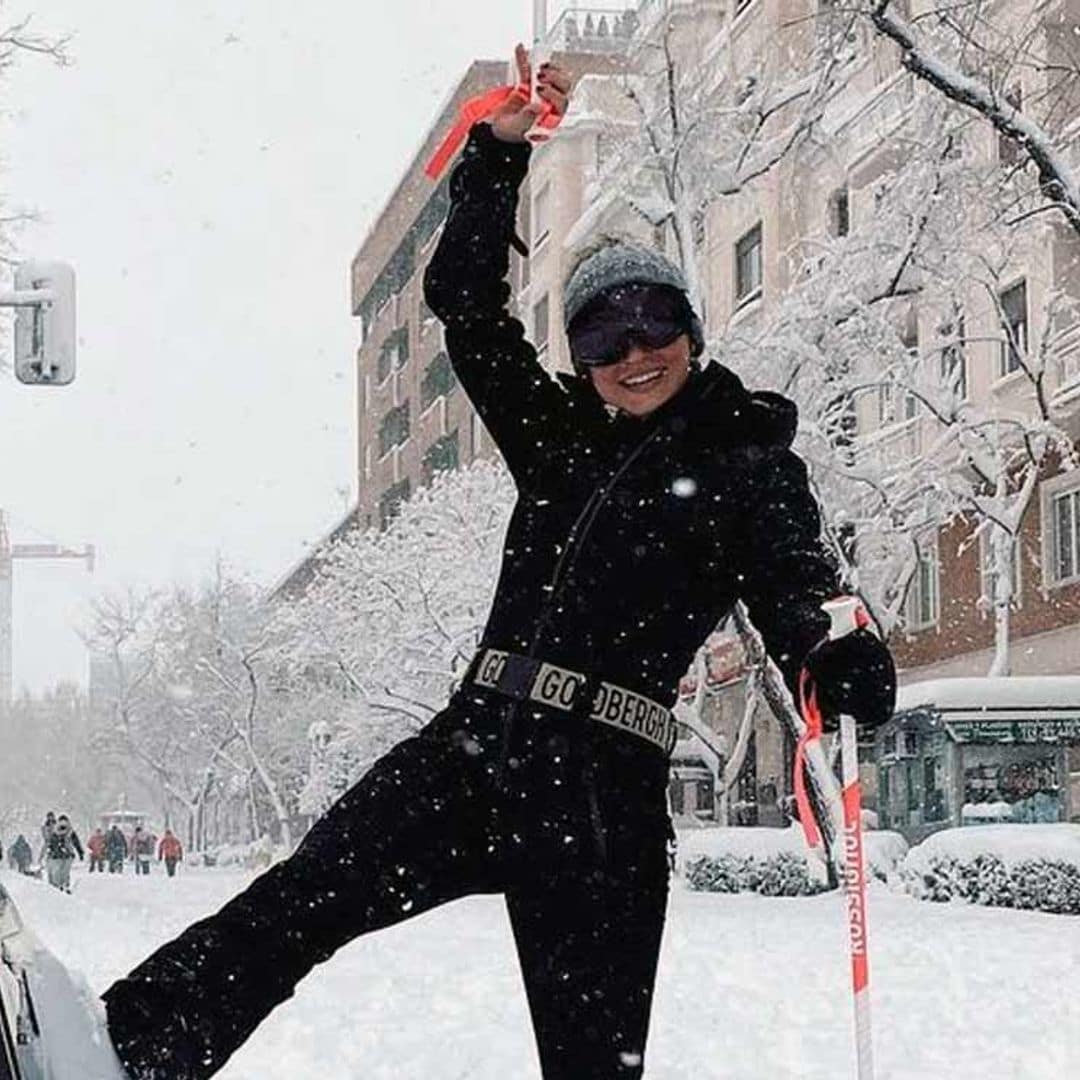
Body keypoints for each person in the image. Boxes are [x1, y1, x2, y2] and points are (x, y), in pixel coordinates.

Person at [101, 46, 894, 1080]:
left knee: (592, 1059)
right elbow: (466, 306)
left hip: (602, 794)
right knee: (297, 903)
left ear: (691, 335)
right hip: (473, 750)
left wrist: (835, 647)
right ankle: (120, 1049)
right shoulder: (557, 439)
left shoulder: (745, 464)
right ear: (580, 358)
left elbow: (800, 585)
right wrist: (495, 155)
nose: (634, 352)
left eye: (657, 325)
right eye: (606, 336)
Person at [45, 815, 83, 893]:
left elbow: (51, 843)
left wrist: (50, 852)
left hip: (57, 855)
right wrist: (80, 852)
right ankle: (65, 885)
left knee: (57, 872)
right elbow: (76, 843)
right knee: (65, 872)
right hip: (67, 855)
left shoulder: (55, 831)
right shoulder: (70, 831)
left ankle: (58, 886)